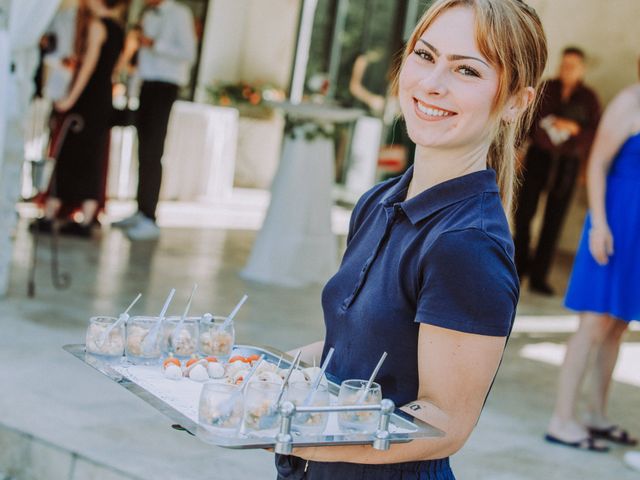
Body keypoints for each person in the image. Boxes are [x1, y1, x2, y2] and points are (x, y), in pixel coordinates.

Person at [275, 0, 547, 478]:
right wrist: (252, 371)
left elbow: (444, 424)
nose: (431, 83)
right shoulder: (379, 200)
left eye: (466, 69)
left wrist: (286, 430)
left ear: (514, 103)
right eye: (425, 55)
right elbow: (359, 347)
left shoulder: (467, 245)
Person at [546, 81, 640, 452]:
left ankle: (596, 414)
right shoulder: (630, 101)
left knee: (618, 323)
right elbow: (598, 163)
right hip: (615, 220)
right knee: (593, 321)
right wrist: (599, 224)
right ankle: (561, 419)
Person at [35, 0, 127, 237]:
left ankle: (55, 211)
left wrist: (69, 98)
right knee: (92, 155)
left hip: (88, 99)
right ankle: (85, 216)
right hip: (103, 98)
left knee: (71, 152)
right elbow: (116, 66)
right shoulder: (118, 28)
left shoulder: (98, 26)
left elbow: (88, 68)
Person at [513, 47, 600, 295]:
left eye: (572, 65)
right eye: (564, 64)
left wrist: (574, 129)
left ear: (582, 68)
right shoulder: (545, 88)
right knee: (524, 214)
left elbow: (593, 133)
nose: (567, 69)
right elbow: (526, 120)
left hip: (568, 165)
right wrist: (518, 151)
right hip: (539, 158)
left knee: (554, 221)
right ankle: (518, 267)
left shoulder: (589, 98)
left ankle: (539, 276)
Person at [112, 0, 196, 240]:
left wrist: (155, 44)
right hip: (146, 85)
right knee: (142, 149)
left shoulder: (180, 14)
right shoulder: (147, 15)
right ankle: (141, 209)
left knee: (153, 150)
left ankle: (150, 216)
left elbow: (188, 52)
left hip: (165, 86)